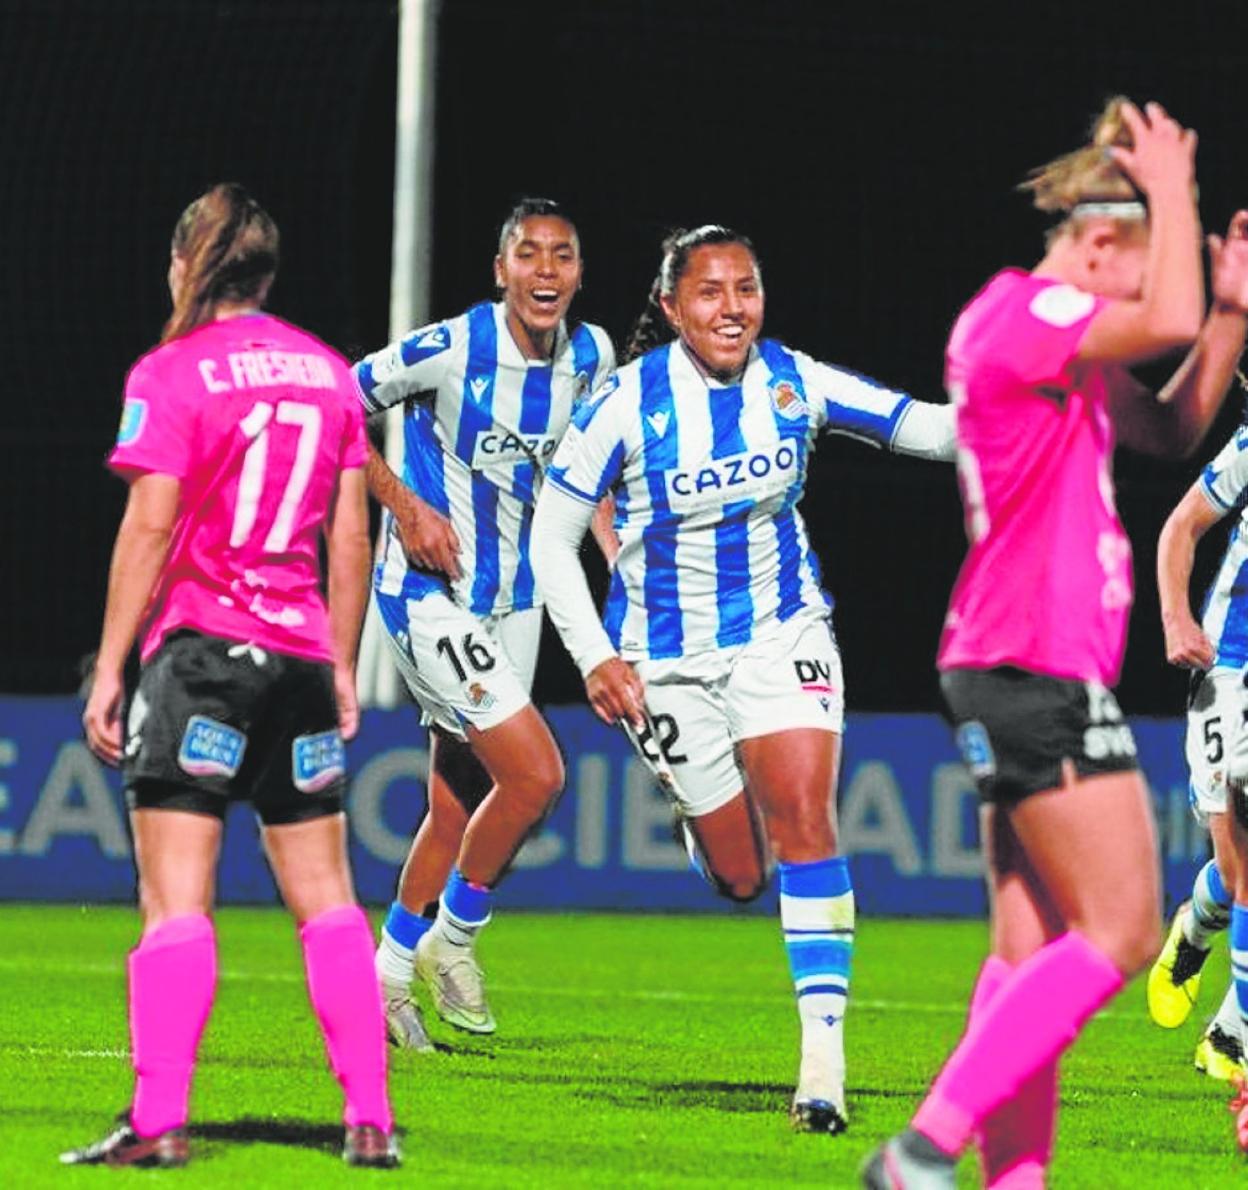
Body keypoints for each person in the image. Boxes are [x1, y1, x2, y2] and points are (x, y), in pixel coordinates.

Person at [862, 99, 1248, 1186]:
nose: (1136, 297)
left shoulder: (1063, 347)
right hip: (1031, 663)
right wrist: (1176, 190)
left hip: (1019, 662)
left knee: (1027, 952)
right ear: (1095, 246)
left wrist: (1225, 311)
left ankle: (1011, 1178)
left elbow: (1170, 427)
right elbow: (1159, 316)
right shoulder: (1019, 312)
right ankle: (925, 1145)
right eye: (1133, 267)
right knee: (1124, 926)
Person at [529, 223, 956, 1135]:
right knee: (738, 876)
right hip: (664, 661)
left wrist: (1034, 410)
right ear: (675, 307)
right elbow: (551, 539)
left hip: (781, 631)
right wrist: (595, 657)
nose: (733, 308)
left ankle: (822, 1073)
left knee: (808, 820)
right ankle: (705, 822)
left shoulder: (793, 381)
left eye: (746, 289)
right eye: (712, 293)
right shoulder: (622, 405)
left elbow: (923, 428)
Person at [62, 184, 398, 1170]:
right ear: (268, 274)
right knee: (328, 897)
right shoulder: (330, 372)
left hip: (201, 655)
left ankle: (159, 1120)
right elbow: (350, 533)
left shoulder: (172, 372)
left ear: (186, 264)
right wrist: (340, 665)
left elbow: (152, 522)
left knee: (176, 899)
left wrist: (112, 666)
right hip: (296, 657)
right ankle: (369, 1117)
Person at [356, 198, 616, 1048]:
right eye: (529, 255)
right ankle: (452, 940)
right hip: (432, 593)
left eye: (564, 256)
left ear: (579, 272)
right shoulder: (450, 348)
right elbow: (333, 404)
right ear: (500, 270)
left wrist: (620, 563)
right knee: (538, 775)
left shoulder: (593, 353)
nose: (547, 271)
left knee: (458, 805)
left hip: (521, 601)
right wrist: (404, 503)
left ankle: (387, 977)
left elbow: (592, 472)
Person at [1150, 344, 1248, 1093]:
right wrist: (1178, 619)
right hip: (1234, 671)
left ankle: (1231, 1033)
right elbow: (1180, 529)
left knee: (1238, 872)